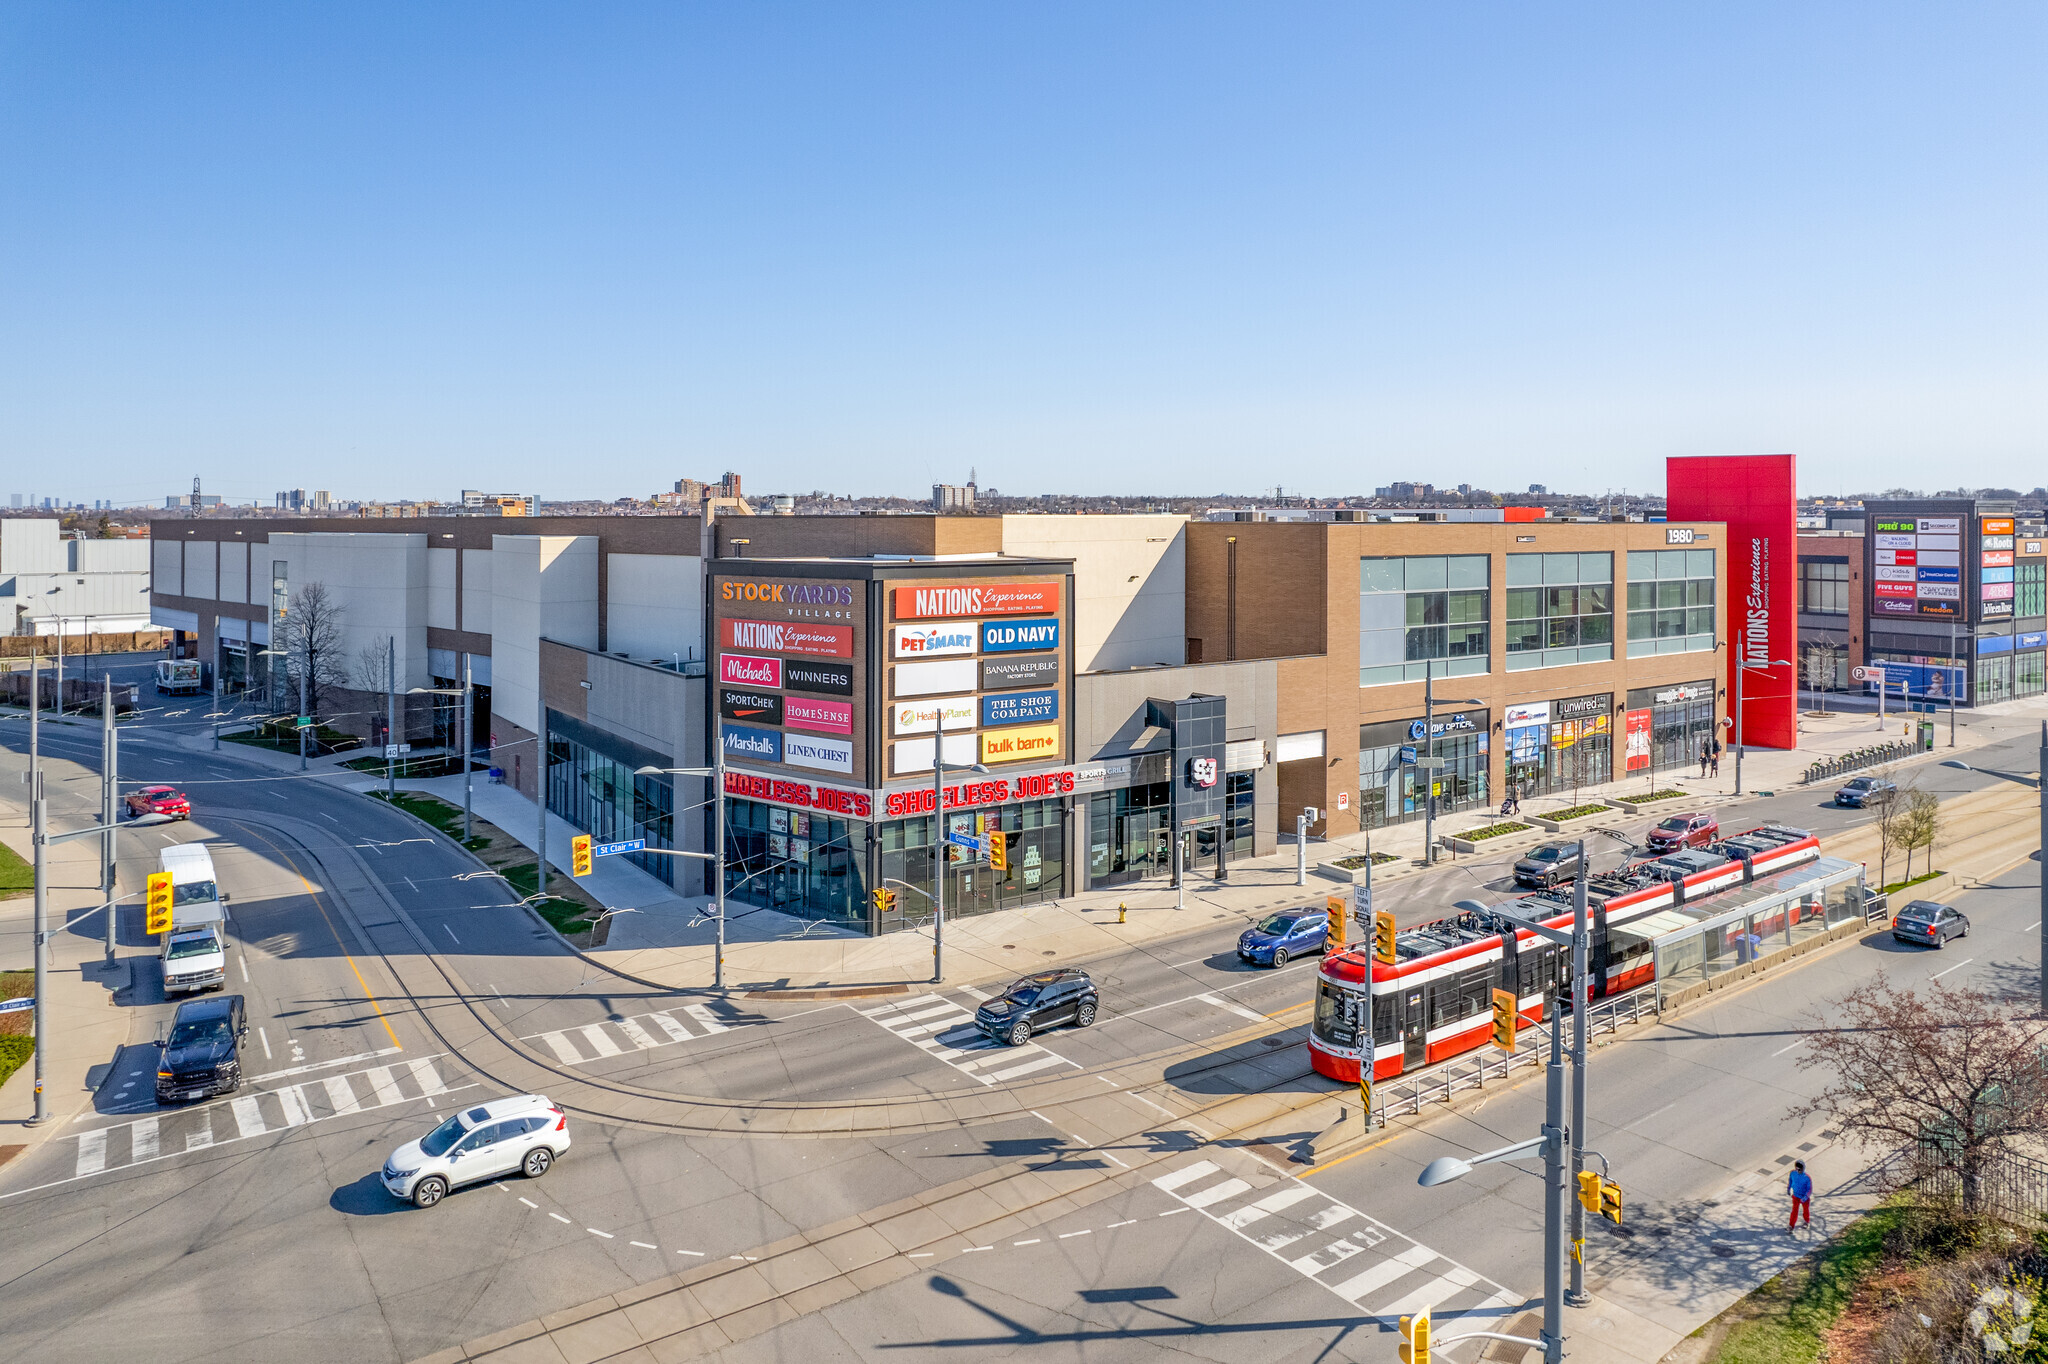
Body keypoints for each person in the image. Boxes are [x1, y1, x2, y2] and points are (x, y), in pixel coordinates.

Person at [1787, 1159, 1812, 1231]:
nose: (1798, 1171)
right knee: (1794, 1211)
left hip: (1804, 1197)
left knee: (1806, 1210)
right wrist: (1788, 1189)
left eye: (1800, 1169)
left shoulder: (1807, 1177)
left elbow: (1809, 1189)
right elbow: (1790, 1181)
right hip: (1795, 1196)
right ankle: (1791, 1225)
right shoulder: (1792, 1173)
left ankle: (1806, 1222)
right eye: (1797, 1169)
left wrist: (1805, 1197)